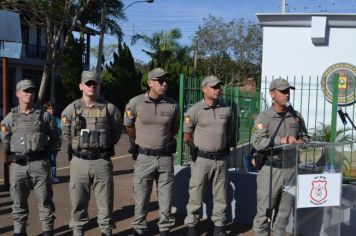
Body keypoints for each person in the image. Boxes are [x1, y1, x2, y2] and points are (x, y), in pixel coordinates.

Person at [61, 71, 122, 236]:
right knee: (78, 200)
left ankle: (106, 230)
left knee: (105, 201)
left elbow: (116, 131)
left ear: (99, 86)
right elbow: (66, 133)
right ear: (81, 86)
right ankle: (78, 230)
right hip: (79, 161)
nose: (92, 86)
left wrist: (105, 146)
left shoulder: (110, 109)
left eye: (95, 83)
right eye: (88, 83)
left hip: (101, 161)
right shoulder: (71, 109)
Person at [124, 68, 179, 236]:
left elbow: (174, 128)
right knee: (141, 194)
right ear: (149, 83)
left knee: (166, 195)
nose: (164, 84)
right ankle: (139, 228)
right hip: (144, 157)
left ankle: (164, 228)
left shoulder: (172, 104)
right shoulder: (135, 103)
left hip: (164, 157)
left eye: (166, 81)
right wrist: (137, 141)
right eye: (160, 81)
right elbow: (128, 126)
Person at [251, 78, 309, 236]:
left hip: (291, 169)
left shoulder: (296, 117)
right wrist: (280, 141)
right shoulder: (264, 118)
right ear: (272, 94)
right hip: (271, 170)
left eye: (288, 91)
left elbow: (306, 137)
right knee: (265, 210)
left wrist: (300, 141)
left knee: (284, 212)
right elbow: (256, 142)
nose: (287, 94)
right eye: (283, 91)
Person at [0, 79, 58, 236]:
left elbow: (54, 139)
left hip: (40, 164)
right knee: (18, 203)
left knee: (45, 201)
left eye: (31, 90)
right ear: (18, 93)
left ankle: (47, 231)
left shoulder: (44, 116)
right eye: (25, 91)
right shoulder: (10, 118)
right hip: (18, 166)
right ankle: (19, 232)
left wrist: (43, 153)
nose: (29, 94)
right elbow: (5, 138)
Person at [184, 75, 237, 236]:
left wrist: (226, 146)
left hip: (221, 159)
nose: (218, 89)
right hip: (201, 160)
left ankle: (219, 228)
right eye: (214, 87)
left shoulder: (227, 109)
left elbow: (230, 131)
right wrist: (192, 147)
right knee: (196, 194)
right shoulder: (194, 110)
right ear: (204, 89)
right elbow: (187, 134)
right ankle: (192, 227)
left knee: (221, 195)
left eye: (219, 86)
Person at [43, 101, 61, 184]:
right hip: (45, 143)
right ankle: (47, 176)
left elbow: (61, 128)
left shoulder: (56, 119)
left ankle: (53, 176)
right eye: (49, 109)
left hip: (55, 143)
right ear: (46, 110)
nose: (51, 110)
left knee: (52, 159)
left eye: (52, 108)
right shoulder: (43, 118)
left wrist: (55, 133)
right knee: (45, 160)